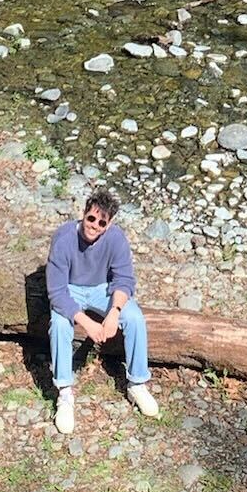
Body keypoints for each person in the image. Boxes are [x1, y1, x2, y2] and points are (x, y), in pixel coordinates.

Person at [45, 186, 159, 434]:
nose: (94, 225)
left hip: (102, 288)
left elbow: (124, 279)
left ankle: (137, 383)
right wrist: (88, 323)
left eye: (101, 222)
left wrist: (114, 312)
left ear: (109, 224)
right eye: (91, 218)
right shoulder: (63, 240)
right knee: (60, 325)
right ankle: (64, 393)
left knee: (135, 317)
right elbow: (56, 292)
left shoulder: (116, 239)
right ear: (84, 214)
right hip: (70, 288)